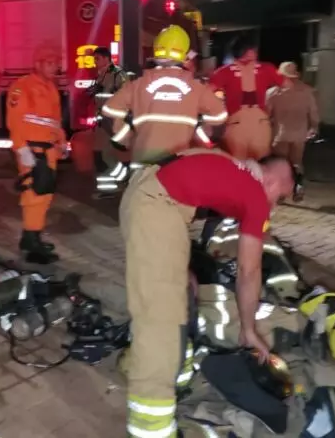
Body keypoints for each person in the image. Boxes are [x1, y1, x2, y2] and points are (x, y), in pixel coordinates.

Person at [121, 151, 296, 438]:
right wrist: (248, 330)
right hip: (157, 205)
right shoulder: (255, 195)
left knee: (182, 293)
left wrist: (180, 265)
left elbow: (189, 160)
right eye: (280, 196)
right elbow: (249, 271)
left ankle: (176, 378)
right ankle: (151, 429)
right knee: (161, 321)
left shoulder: (235, 167)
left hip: (153, 196)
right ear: (273, 181)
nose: (275, 205)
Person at [101, 25, 227, 166]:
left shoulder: (137, 85)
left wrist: (125, 139)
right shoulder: (197, 88)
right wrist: (198, 132)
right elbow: (220, 118)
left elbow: (108, 112)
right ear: (185, 56)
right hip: (179, 167)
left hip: (143, 166)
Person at [6, 45, 67, 265]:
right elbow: (15, 121)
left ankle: (32, 237)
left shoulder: (50, 88)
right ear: (38, 64)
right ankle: (32, 242)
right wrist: (21, 149)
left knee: (44, 194)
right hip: (32, 150)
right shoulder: (22, 87)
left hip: (48, 150)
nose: (55, 67)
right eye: (50, 63)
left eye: (56, 63)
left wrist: (61, 142)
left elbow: (55, 121)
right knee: (34, 195)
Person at [210, 33, 284, 161]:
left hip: (236, 124)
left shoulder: (223, 71)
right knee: (262, 164)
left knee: (238, 165)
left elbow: (207, 92)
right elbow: (286, 85)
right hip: (260, 123)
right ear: (249, 51)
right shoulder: (266, 69)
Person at [267, 61, 319, 176]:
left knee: (281, 164)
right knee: (297, 162)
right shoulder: (308, 92)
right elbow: (314, 112)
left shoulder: (272, 93)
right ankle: (298, 183)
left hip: (280, 135)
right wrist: (314, 127)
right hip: (299, 135)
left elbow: (266, 115)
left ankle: (283, 184)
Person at [90, 46, 129, 198]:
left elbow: (126, 95)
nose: (95, 62)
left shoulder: (118, 74)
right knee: (102, 155)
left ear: (106, 58)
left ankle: (117, 181)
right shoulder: (101, 75)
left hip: (112, 121)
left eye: (97, 59)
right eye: (94, 59)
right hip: (102, 121)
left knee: (105, 155)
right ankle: (114, 184)